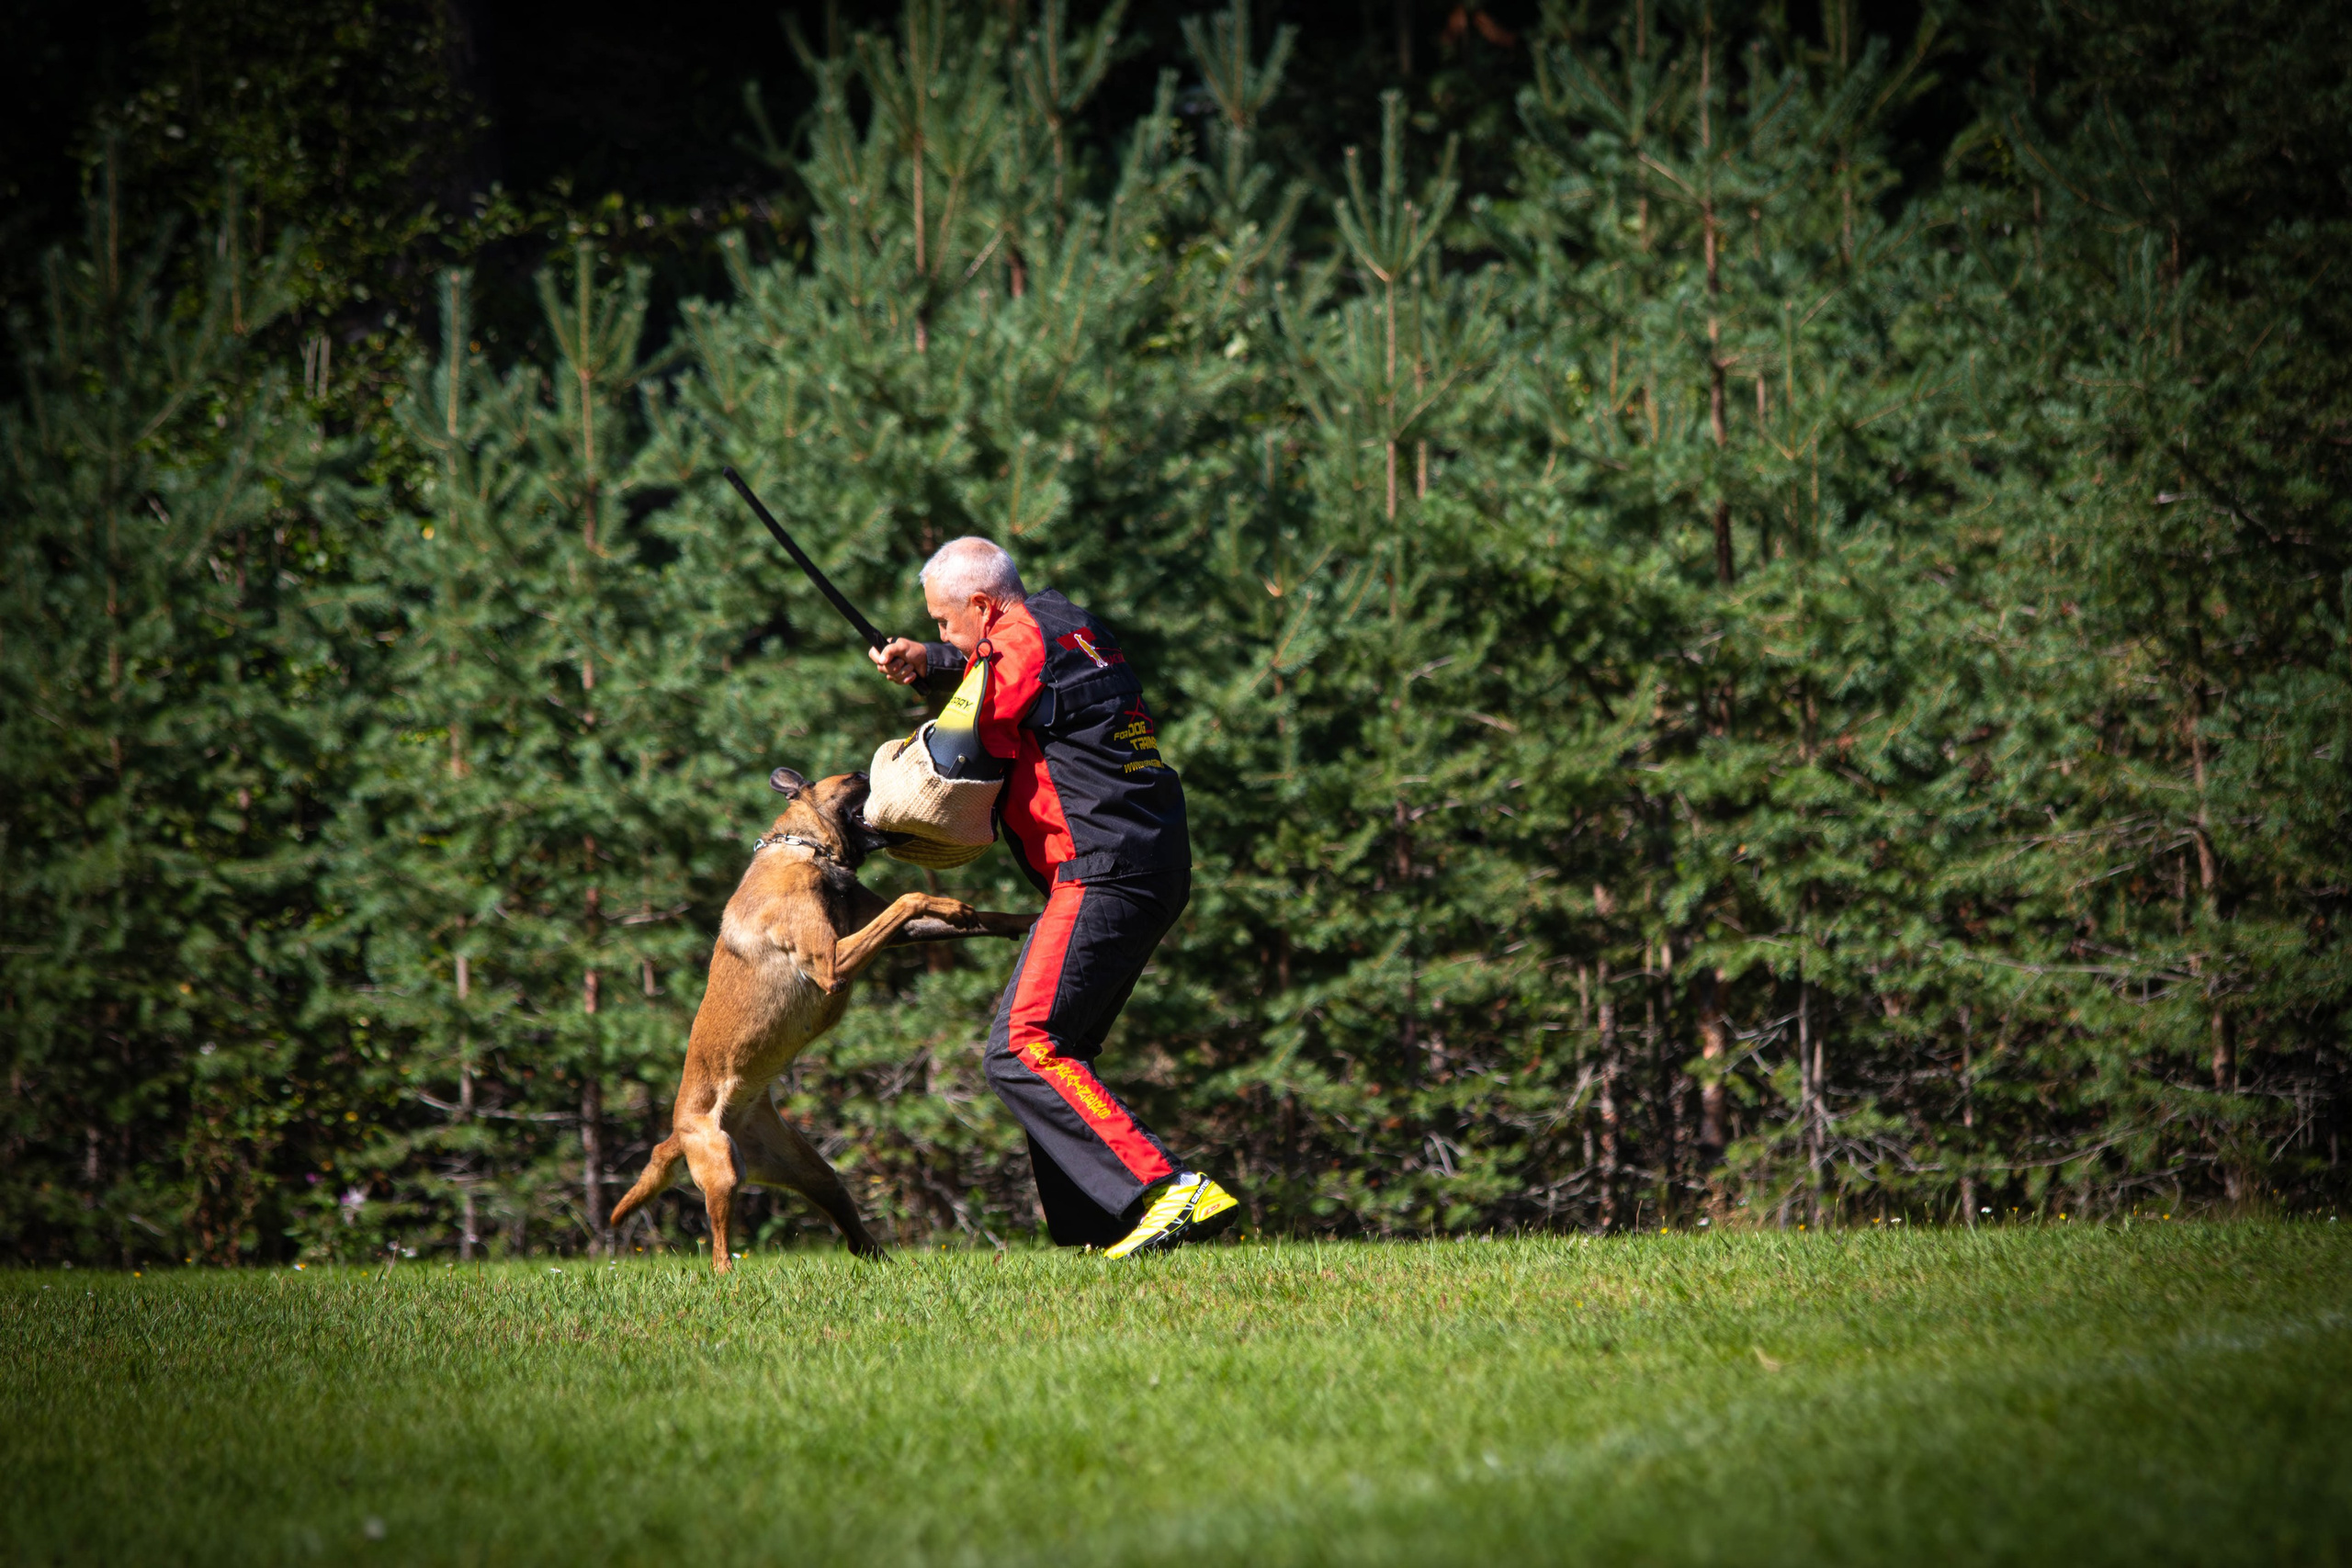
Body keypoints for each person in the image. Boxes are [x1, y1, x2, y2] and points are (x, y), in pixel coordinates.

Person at [869, 536, 1238, 1258]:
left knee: (1020, 1048)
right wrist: (933, 661)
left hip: (1099, 870)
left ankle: (1165, 1189)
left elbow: (958, 747)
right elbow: (1002, 676)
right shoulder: (1068, 623)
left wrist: (863, 814)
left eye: (946, 623)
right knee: (1060, 1048)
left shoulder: (1013, 645)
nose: (944, 634)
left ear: (981, 605)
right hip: (1149, 862)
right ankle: (1105, 1229)